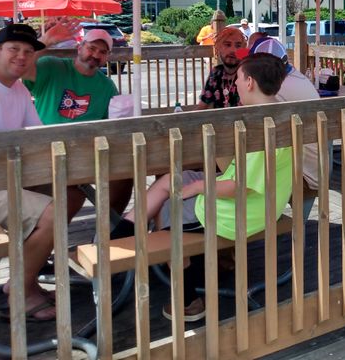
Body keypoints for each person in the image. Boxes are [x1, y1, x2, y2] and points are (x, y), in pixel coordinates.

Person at [120, 53, 293, 321]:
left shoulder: (262, 127)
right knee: (168, 180)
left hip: (241, 212)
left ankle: (189, 300)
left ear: (249, 82)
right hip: (248, 198)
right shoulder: (277, 112)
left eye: (237, 80)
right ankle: (117, 237)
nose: (234, 85)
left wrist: (200, 186)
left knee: (168, 208)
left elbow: (242, 186)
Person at [0, 24, 58, 321]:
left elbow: (38, 137)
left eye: (28, 51)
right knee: (52, 213)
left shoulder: (18, 88)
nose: (22, 56)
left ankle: (28, 281)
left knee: (65, 193)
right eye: (14, 49)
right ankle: (21, 293)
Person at [24, 22, 132, 214]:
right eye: (91, 48)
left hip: (85, 153)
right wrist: (45, 41)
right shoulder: (51, 67)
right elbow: (22, 68)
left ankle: (109, 228)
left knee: (124, 174)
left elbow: (113, 125)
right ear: (79, 47)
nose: (96, 55)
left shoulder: (107, 86)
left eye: (102, 52)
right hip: (45, 149)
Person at [242, 34, 323, 187]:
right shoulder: (295, 76)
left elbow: (253, 133)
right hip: (315, 166)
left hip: (303, 172)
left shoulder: (274, 90)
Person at [197, 26, 247, 109]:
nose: (233, 50)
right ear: (218, 48)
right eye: (227, 45)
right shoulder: (216, 73)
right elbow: (202, 106)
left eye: (238, 46)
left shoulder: (249, 73)